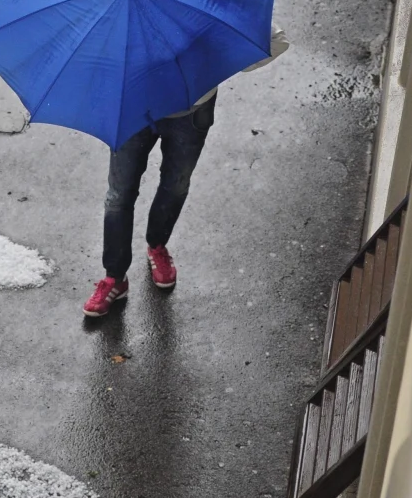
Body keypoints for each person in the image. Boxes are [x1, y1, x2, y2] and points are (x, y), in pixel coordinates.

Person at [83, 24, 291, 317]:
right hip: (134, 110)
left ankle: (157, 246)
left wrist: (218, 62)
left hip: (192, 114)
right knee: (119, 195)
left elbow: (276, 40)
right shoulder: (125, 0)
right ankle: (114, 277)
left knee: (176, 184)